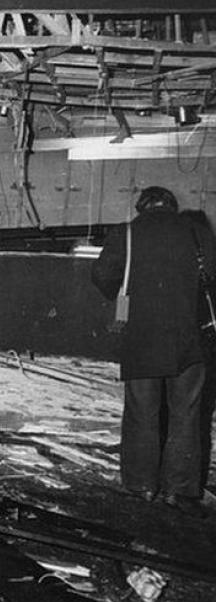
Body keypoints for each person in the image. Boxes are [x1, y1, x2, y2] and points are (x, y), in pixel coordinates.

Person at [91, 186, 216, 518]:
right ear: (172, 207)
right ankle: (178, 490)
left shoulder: (127, 232)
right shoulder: (198, 232)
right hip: (189, 340)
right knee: (187, 414)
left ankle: (142, 485)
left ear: (142, 207)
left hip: (142, 339)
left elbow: (102, 276)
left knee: (141, 412)